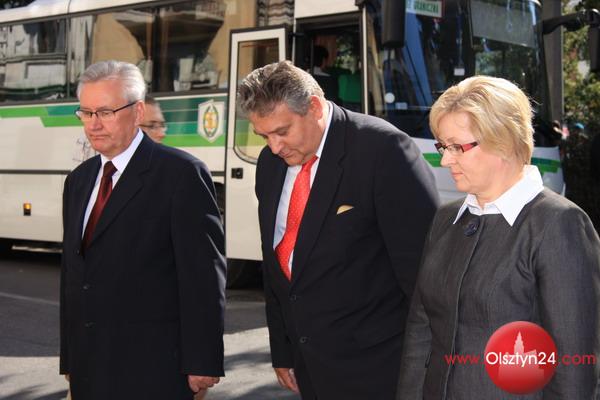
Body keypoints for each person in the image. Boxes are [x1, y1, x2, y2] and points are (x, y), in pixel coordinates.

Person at [237, 60, 439, 399]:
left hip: (381, 368)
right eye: (264, 135)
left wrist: (426, 365)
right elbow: (276, 265)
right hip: (309, 366)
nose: (274, 147)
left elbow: (423, 271)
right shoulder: (270, 165)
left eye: (282, 131)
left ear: (314, 107)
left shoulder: (383, 149)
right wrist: (283, 349)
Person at [396, 76, 600, 398]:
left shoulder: (559, 224)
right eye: (442, 146)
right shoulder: (446, 218)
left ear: (502, 141)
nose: (445, 159)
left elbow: (574, 369)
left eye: (456, 147)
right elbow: (420, 332)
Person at [60, 60, 226, 400]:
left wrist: (202, 360)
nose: (93, 124)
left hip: (155, 368)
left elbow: (203, 277)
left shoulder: (181, 174)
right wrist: (70, 358)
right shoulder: (78, 181)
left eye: (106, 112)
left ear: (137, 112)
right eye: (86, 113)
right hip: (89, 367)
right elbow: (73, 277)